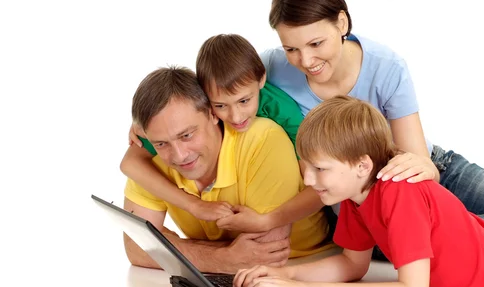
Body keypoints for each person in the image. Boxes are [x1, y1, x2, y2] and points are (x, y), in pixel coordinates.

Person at [251, 0, 484, 236]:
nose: (305, 60)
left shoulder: (386, 66)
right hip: (361, 200)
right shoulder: (273, 67)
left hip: (425, 168)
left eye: (315, 43)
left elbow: (418, 162)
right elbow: (225, 87)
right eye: (291, 48)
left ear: (341, 24)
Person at [232, 96, 484, 287]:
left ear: (362, 165)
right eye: (304, 167)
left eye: (319, 169)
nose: (308, 180)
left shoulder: (396, 192)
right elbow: (350, 265)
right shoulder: (356, 198)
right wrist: (285, 276)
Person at [123, 34, 409, 236]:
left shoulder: (283, 116)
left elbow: (315, 187)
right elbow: (131, 161)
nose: (235, 117)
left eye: (245, 101)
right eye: (220, 106)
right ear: (208, 104)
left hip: (369, 183)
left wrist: (265, 222)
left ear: (261, 82)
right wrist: (145, 125)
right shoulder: (192, 112)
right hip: (348, 207)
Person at [122, 65, 332, 274]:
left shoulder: (263, 139)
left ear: (213, 114)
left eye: (187, 135)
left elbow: (264, 254)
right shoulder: (150, 157)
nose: (179, 155)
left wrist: (175, 248)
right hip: (220, 278)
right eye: (161, 143)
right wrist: (221, 258)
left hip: (303, 266)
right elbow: (136, 248)